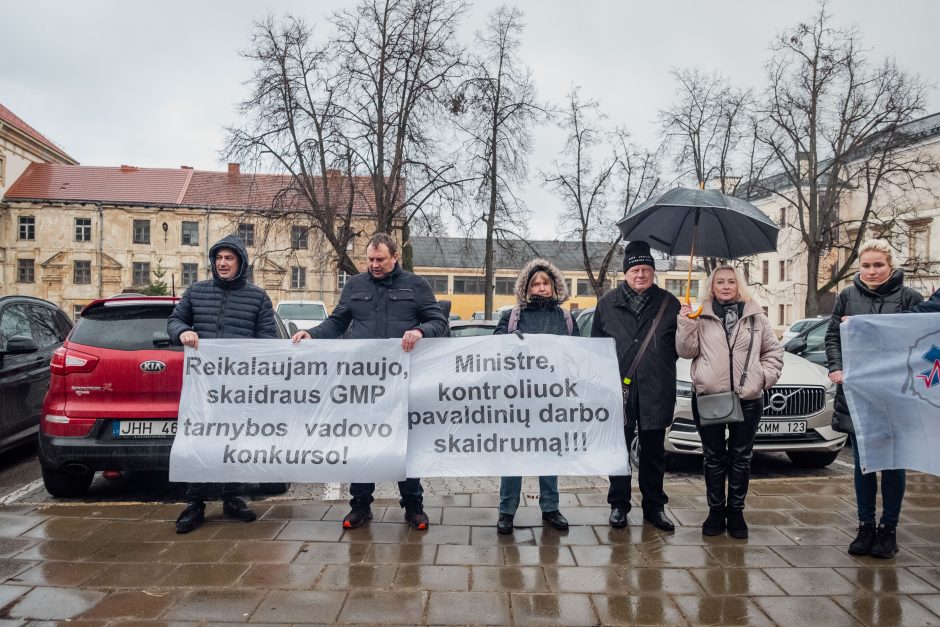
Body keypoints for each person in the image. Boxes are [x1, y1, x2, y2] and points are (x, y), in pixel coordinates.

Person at [291, 232, 447, 530]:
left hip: (403, 382)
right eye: (370, 259)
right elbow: (337, 322)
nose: (374, 265)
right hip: (362, 383)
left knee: (404, 445)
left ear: (394, 258)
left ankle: (413, 506)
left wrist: (421, 332)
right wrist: (312, 334)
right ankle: (360, 506)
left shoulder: (416, 286)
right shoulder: (355, 285)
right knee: (362, 444)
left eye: (380, 260)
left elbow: (438, 322)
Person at [167, 234, 277, 534]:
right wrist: (182, 333)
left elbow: (269, 340)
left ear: (241, 262)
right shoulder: (196, 293)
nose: (223, 263)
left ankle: (233, 497)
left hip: (240, 387)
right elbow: (174, 321)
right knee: (200, 442)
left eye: (229, 258)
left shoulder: (257, 298)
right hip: (203, 386)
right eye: (218, 258)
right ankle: (196, 503)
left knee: (234, 441)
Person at [826, 238, 923, 558]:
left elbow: (922, 343)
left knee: (893, 464)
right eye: (865, 265)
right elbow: (832, 337)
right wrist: (836, 367)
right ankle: (865, 526)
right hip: (859, 393)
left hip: (896, 395)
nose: (871, 271)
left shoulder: (910, 298)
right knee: (864, 464)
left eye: (878, 265)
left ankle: (888, 529)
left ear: (890, 266)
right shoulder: (846, 297)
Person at [676, 265, 782, 539]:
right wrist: (686, 322)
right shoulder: (699, 315)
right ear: (711, 287)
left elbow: (772, 351)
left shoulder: (755, 317)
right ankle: (715, 510)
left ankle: (735, 512)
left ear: (739, 286)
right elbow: (686, 351)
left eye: (731, 282)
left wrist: (762, 379)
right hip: (710, 397)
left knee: (741, 457)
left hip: (747, 398)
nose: (725, 286)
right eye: (719, 282)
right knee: (713, 457)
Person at [591, 240, 680, 531]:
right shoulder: (607, 304)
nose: (640, 274)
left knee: (653, 451)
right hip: (619, 389)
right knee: (618, 449)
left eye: (646, 269)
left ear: (653, 272)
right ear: (625, 273)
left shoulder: (670, 303)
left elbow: (683, 347)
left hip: (657, 387)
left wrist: (690, 322)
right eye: (635, 270)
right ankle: (619, 504)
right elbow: (595, 349)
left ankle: (655, 507)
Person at [493, 259, 579, 534]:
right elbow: (492, 351)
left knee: (548, 454)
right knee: (512, 455)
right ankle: (507, 511)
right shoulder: (512, 317)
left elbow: (576, 355)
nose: (541, 288)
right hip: (517, 399)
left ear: (554, 287)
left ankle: (550, 508)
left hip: (552, 400)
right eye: (535, 284)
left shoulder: (565, 318)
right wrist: (510, 344)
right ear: (526, 289)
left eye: (545, 283)